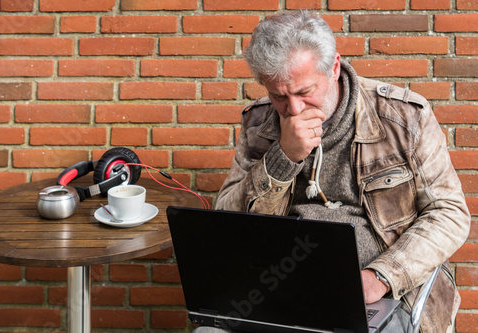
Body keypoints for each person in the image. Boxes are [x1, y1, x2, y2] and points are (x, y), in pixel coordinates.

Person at [194, 11, 471, 333]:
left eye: (304, 92)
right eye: (278, 96)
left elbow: (448, 212)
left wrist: (382, 276)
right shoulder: (260, 123)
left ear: (334, 67)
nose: (294, 109)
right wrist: (282, 157)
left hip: (380, 288)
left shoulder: (403, 117)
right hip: (281, 283)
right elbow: (228, 220)